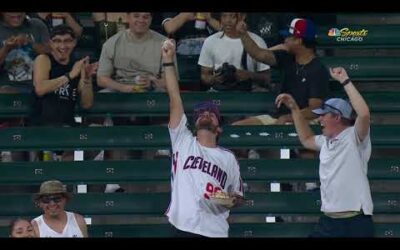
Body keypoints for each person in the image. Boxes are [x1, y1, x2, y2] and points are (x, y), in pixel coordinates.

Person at [275, 67, 374, 237]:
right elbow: (306, 139)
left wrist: (345, 80)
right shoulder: (325, 141)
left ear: (337, 117)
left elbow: (363, 114)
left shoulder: (354, 137)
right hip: (329, 221)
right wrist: (294, 109)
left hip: (355, 222)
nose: (319, 119)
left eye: (323, 115)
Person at [162, 38, 244, 237]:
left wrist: (230, 200)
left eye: (211, 112)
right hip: (184, 227)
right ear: (195, 123)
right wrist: (168, 61)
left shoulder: (228, 158)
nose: (205, 113)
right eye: (201, 113)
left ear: (220, 129)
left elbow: (238, 198)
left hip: (215, 230)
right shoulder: (183, 140)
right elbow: (175, 98)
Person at [233, 17, 329, 125]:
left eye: (288, 37)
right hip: (278, 117)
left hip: (303, 120)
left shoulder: (318, 70)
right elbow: (258, 54)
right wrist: (243, 34)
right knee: (237, 127)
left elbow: (314, 110)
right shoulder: (287, 57)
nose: (285, 39)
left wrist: (289, 117)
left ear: (299, 40)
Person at [198, 12, 271, 92]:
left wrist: (249, 75)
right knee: (202, 104)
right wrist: (215, 79)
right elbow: (204, 75)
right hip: (218, 93)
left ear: (242, 17)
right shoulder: (210, 41)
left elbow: (266, 78)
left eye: (232, 16)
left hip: (249, 93)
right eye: (224, 16)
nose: (227, 21)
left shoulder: (257, 41)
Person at [0, 12, 49, 93]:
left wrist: (30, 42)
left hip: (37, 86)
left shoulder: (37, 25)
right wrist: (6, 48)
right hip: (7, 87)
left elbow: (52, 53)